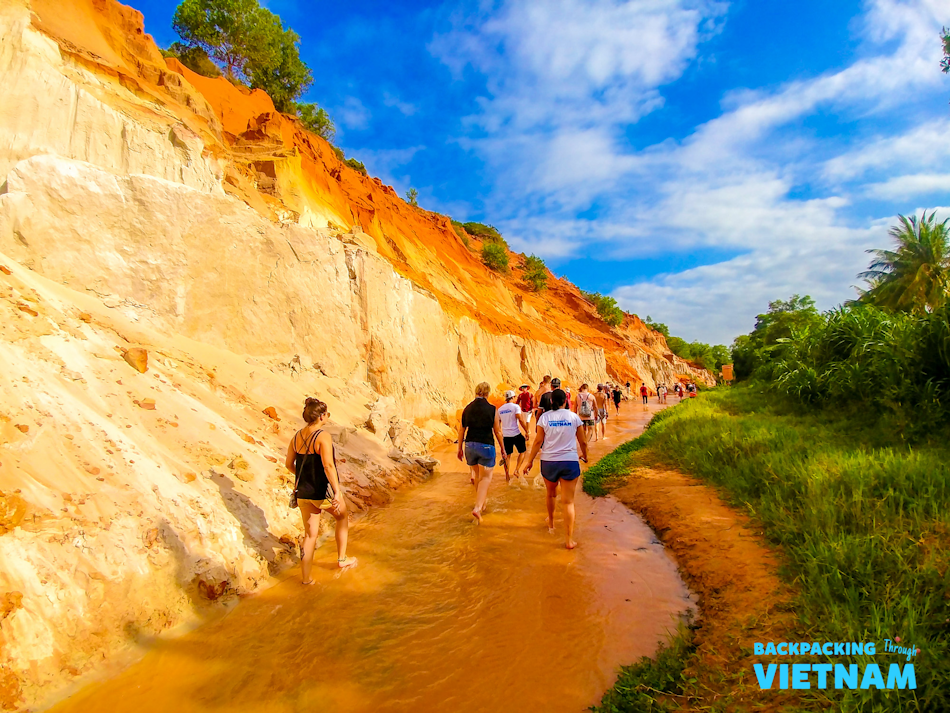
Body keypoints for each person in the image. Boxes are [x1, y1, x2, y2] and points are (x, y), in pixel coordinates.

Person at [285, 397, 356, 583]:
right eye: (327, 414)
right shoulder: (322, 436)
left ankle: (306, 579)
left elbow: (288, 464)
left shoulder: (297, 436)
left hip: (302, 493)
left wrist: (303, 478)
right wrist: (337, 492)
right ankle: (342, 559)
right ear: (322, 416)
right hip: (320, 491)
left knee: (310, 535)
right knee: (342, 517)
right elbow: (328, 466)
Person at [522, 389, 589, 550]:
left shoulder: (544, 418)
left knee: (550, 494)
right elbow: (583, 441)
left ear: (551, 402)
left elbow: (538, 441)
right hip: (569, 461)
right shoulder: (574, 417)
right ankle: (569, 540)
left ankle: (551, 524)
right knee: (568, 502)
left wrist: (529, 462)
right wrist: (585, 456)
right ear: (565, 401)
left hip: (549, 462)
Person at [458, 382, 506, 523]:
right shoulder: (492, 409)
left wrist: (459, 448)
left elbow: (462, 430)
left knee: (478, 476)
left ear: (476, 392)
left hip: (470, 446)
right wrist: (503, 448)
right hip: (486, 445)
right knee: (485, 478)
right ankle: (478, 508)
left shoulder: (467, 408)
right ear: (487, 393)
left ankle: (482, 503)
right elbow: (497, 431)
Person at [498, 389, 530, 482]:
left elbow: (498, 424)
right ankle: (516, 470)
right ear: (513, 397)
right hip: (516, 433)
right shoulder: (515, 407)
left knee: (507, 456)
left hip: (506, 435)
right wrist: (527, 430)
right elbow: (520, 419)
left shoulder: (500, 409)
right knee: (523, 451)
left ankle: (507, 476)